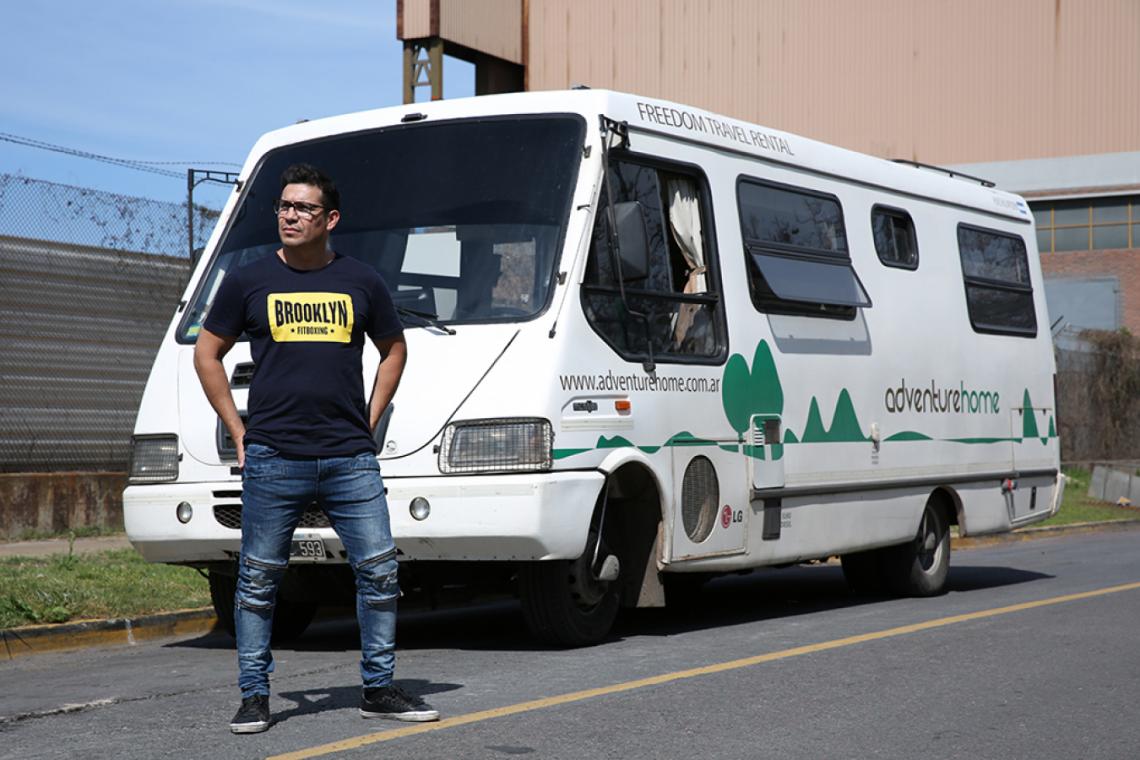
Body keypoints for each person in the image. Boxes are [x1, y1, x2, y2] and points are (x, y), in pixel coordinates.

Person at [194, 163, 438, 734]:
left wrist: (370, 419)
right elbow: (206, 354)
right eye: (283, 206)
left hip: (350, 458)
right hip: (274, 456)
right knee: (257, 581)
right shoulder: (248, 280)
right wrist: (238, 430)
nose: (288, 215)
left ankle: (377, 690)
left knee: (378, 573)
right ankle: (255, 695)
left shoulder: (362, 281)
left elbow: (394, 349)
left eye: (302, 208)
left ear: (330, 219)